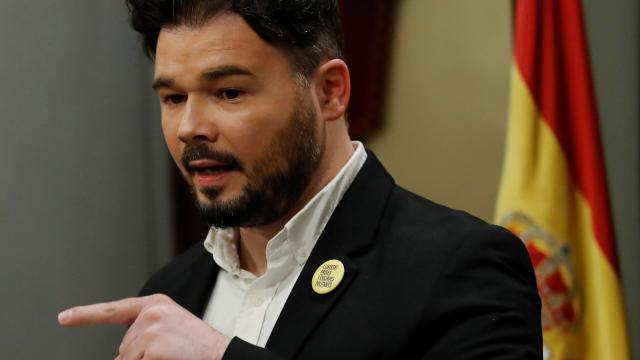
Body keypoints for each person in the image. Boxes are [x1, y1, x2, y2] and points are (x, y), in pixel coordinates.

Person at [58, 1, 542, 359]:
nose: (190, 128)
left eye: (228, 92)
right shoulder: (173, 289)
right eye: (173, 98)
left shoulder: (459, 266)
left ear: (330, 91)